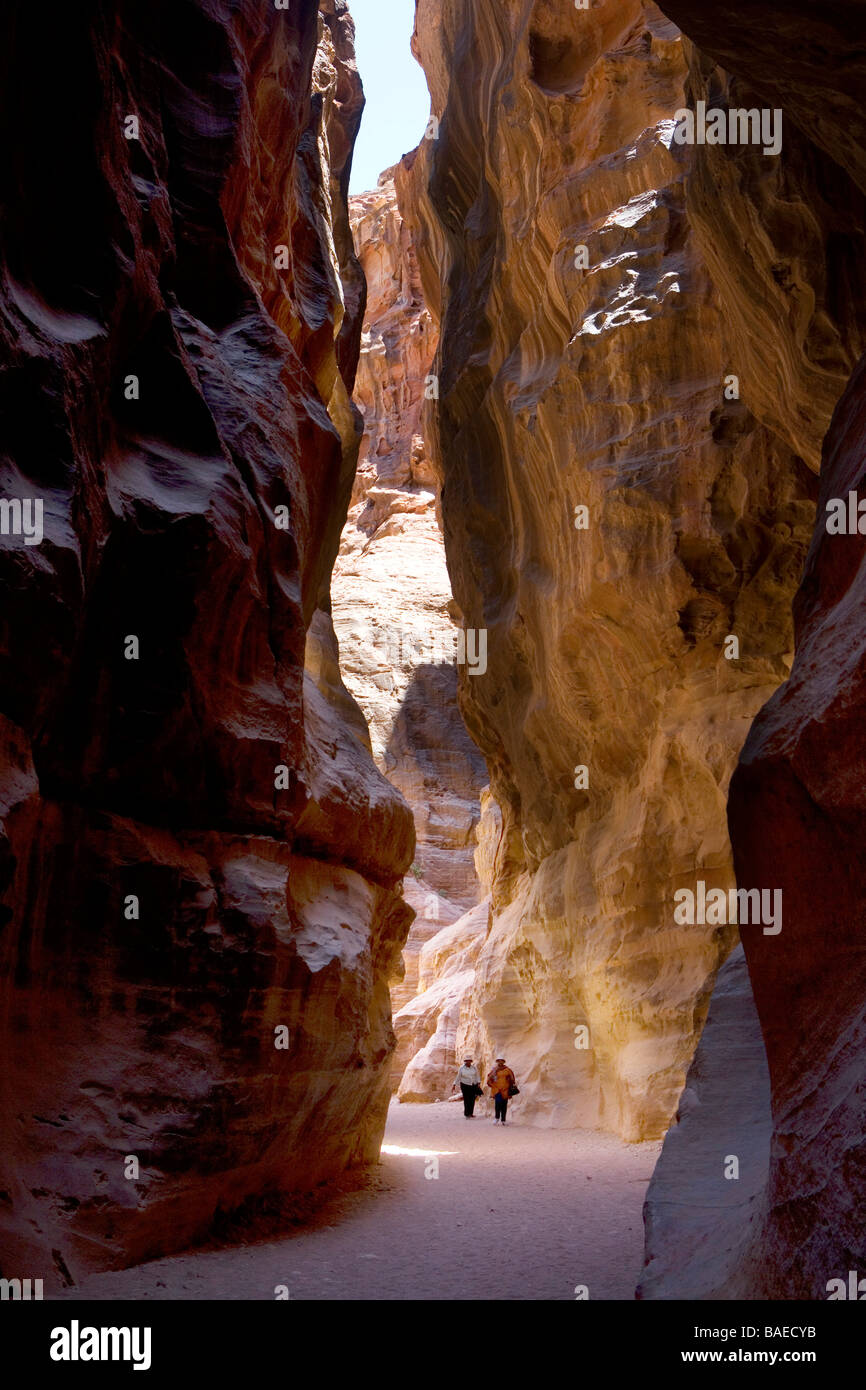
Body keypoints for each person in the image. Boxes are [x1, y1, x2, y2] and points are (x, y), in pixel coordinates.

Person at [487, 1057, 517, 1124]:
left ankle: (503, 1120)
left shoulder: (507, 1070)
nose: (500, 1062)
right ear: (497, 1062)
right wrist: (493, 1085)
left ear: (504, 1062)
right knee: (497, 1104)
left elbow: (512, 1079)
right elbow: (489, 1078)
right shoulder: (494, 1069)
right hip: (497, 1090)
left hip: (505, 1090)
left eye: (501, 1061)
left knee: (504, 1105)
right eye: (499, 1061)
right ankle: (497, 1118)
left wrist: (510, 1081)